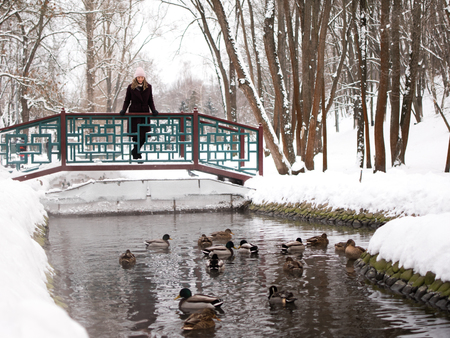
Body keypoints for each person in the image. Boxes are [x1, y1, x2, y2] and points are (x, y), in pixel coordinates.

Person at [119, 67, 159, 159]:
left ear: (144, 78)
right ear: (136, 78)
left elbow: (150, 100)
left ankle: (134, 151)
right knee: (136, 135)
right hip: (134, 112)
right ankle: (137, 154)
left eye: (142, 77)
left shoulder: (149, 87)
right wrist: (123, 110)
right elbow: (127, 100)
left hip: (144, 112)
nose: (140, 79)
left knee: (144, 135)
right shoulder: (130, 87)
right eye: (138, 77)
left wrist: (153, 110)